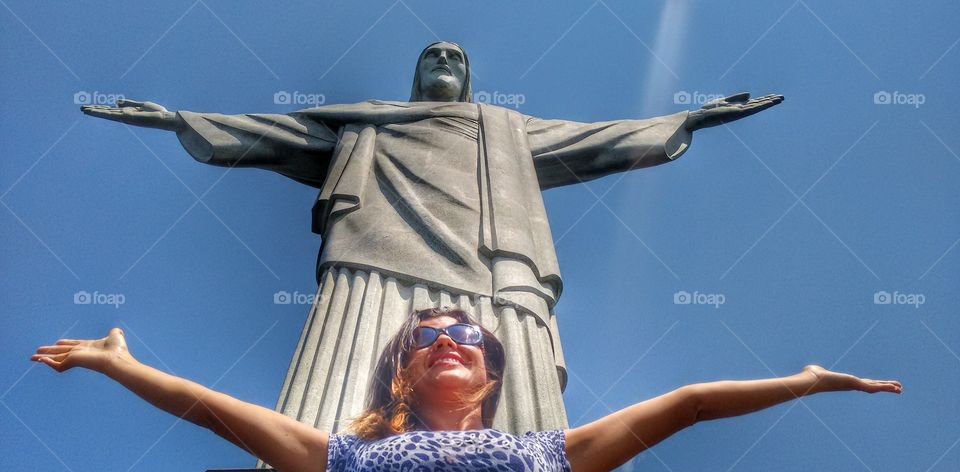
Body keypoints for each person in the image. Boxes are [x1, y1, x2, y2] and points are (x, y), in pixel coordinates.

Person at [78, 41, 785, 436]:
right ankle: (322, 454)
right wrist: (175, 119)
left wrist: (687, 121)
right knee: (352, 361)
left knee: (496, 367)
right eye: (432, 55)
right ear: (416, 76)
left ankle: (514, 450)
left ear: (469, 77)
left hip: (493, 259)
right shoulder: (367, 119)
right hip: (372, 252)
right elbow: (272, 133)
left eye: (455, 56)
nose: (443, 59)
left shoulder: (505, 128)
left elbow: (597, 140)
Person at [31, 307, 901, 472]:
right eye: (427, 337)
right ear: (406, 370)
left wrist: (806, 382)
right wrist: (122, 364)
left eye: (468, 336)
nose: (449, 341)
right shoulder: (349, 458)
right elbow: (214, 411)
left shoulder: (547, 454)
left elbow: (690, 403)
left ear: (490, 372)